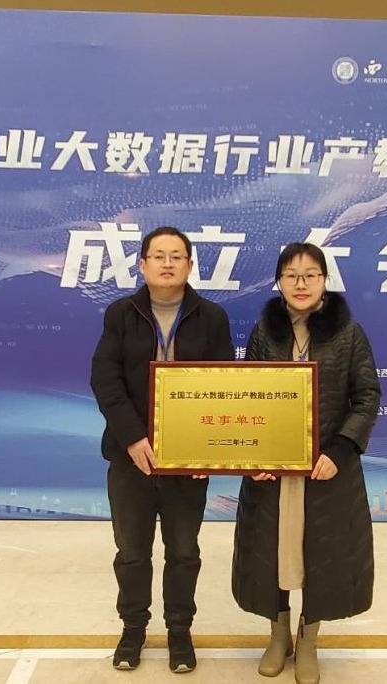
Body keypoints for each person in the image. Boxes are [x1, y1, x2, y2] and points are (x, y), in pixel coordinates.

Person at [232, 243, 381, 684]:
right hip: (273, 469)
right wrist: (253, 456)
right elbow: (248, 396)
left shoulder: (348, 333)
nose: (301, 284)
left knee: (322, 555)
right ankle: (278, 634)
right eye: (291, 275)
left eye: (310, 275)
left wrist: (340, 451)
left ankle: (309, 638)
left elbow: (366, 396)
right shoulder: (265, 332)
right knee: (271, 554)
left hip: (326, 470)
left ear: (324, 280)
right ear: (279, 282)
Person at [91, 226, 234, 673]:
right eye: (158, 256)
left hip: (187, 461)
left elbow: (223, 385)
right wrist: (133, 438)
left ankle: (179, 631)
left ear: (190, 265)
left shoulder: (211, 317)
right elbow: (106, 380)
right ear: (142, 264)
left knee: (184, 551)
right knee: (132, 551)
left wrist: (206, 450)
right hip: (130, 457)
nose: (167, 263)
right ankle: (133, 629)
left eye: (176, 256)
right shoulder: (121, 313)